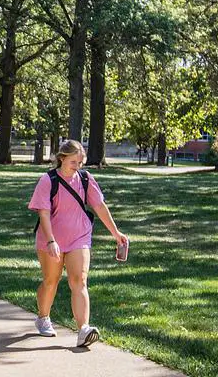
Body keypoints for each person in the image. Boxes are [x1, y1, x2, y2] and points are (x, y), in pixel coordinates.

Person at [29, 139, 127, 348]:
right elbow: (44, 214)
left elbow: (99, 206)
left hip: (79, 236)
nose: (78, 166)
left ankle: (84, 330)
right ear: (62, 159)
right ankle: (43, 317)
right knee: (50, 281)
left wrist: (115, 232)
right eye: (74, 162)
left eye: (80, 162)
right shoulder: (48, 180)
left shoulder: (84, 179)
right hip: (51, 239)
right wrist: (51, 240)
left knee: (79, 281)